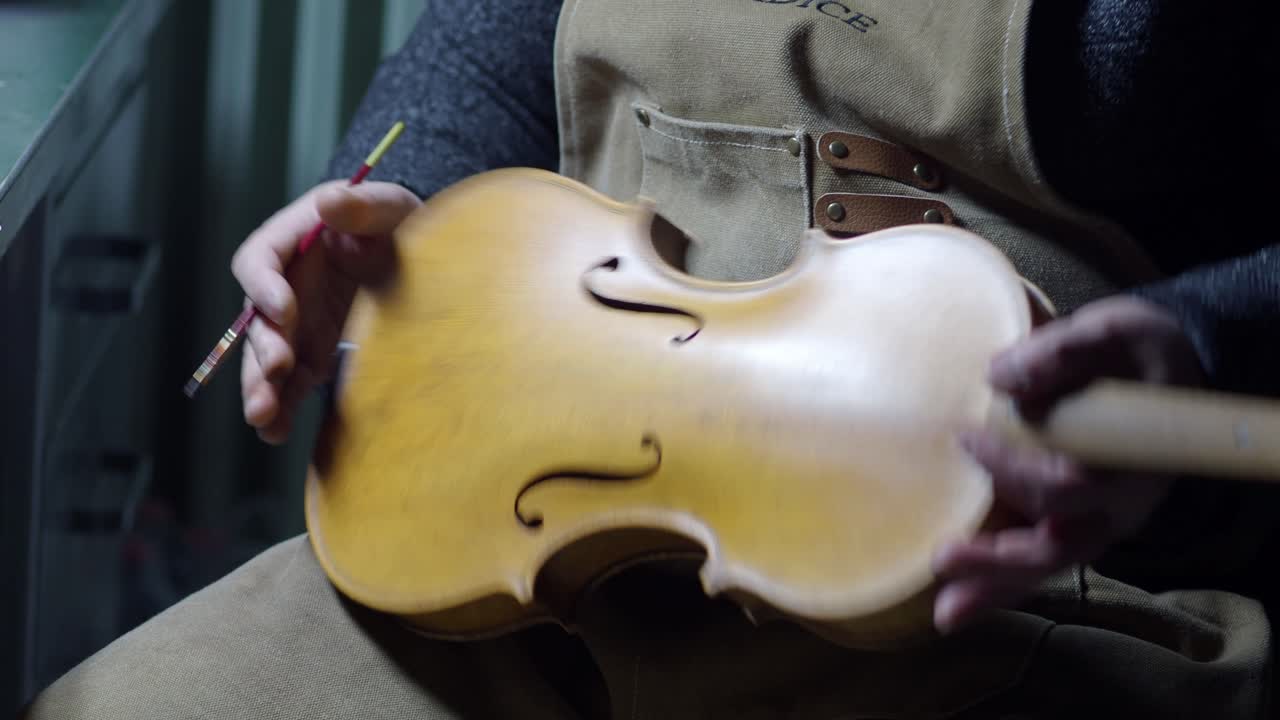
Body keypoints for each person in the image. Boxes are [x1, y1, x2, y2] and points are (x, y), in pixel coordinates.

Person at [24, 1, 1280, 718]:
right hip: (546, 526)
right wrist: (400, 222)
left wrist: (1208, 343)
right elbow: (486, 47)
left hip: (1012, 595)